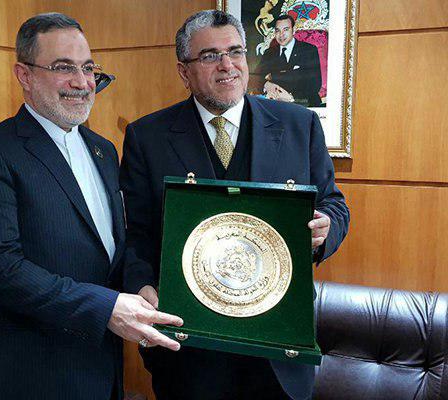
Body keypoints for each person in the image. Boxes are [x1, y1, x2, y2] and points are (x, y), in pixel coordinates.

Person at [0, 13, 182, 400]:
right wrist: (106, 308)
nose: (82, 82)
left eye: (88, 68)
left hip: (102, 371)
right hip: (31, 378)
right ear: (24, 75)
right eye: (63, 68)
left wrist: (140, 285)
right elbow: (1, 270)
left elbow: (112, 250)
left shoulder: (104, 150)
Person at [120, 9, 349, 400]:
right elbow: (135, 233)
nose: (227, 65)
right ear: (184, 71)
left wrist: (326, 226)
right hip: (189, 353)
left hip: (278, 350)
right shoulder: (147, 137)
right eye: (210, 55)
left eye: (235, 52)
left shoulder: (300, 124)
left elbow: (334, 205)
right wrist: (141, 285)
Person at [254, 14, 323, 107]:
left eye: (286, 29)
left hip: (304, 103)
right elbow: (256, 77)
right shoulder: (269, 53)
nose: (281, 34)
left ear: (293, 30)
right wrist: (266, 84)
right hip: (275, 104)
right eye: (278, 31)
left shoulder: (309, 50)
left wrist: (291, 97)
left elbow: (315, 83)